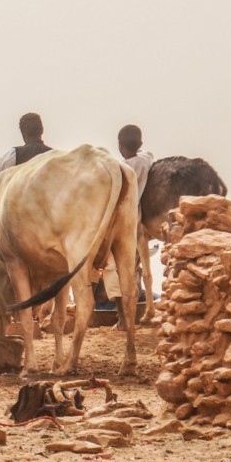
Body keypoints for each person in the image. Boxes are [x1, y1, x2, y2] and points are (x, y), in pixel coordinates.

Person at [102, 124, 154, 328]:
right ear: (140, 144)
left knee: (112, 268)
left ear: (120, 146)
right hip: (141, 225)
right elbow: (149, 155)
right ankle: (135, 312)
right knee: (134, 269)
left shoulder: (122, 168)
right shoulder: (145, 162)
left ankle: (123, 318)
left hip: (124, 223)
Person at [0, 112, 52, 198]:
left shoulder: (13, 155)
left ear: (23, 134)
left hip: (19, 207)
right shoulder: (55, 156)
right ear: (42, 130)